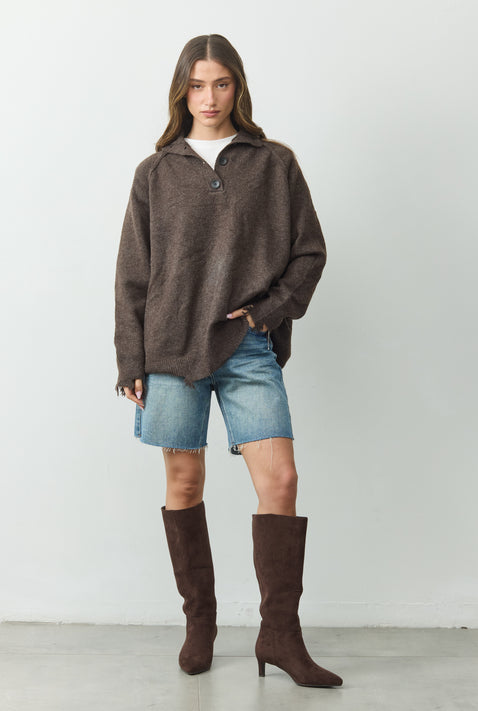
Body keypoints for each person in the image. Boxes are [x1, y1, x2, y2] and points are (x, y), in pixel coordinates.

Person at [113, 33, 342, 688]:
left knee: (281, 480)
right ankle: (201, 622)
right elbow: (133, 273)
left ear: (237, 87)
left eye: (220, 83)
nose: (208, 97)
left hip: (246, 348)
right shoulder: (155, 173)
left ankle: (280, 634)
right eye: (196, 85)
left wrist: (267, 312)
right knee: (184, 484)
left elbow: (309, 252)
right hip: (170, 349)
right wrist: (130, 356)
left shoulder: (273, 164)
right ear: (180, 91)